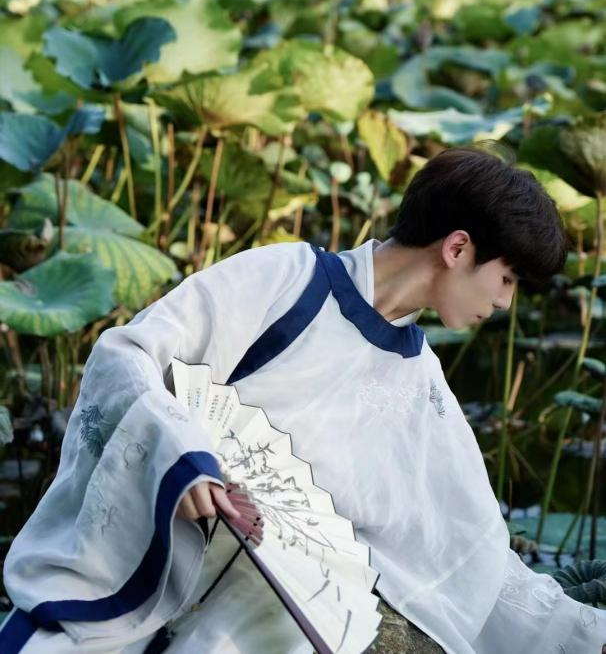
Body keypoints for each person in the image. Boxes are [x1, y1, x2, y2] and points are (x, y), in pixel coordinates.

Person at [1, 147, 604, 653]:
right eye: (507, 279)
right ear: (458, 248)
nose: (504, 302)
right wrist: (178, 457)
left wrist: (581, 635)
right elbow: (127, 355)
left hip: (257, 614)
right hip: (148, 553)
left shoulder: (422, 384)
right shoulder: (290, 280)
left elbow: (469, 552)